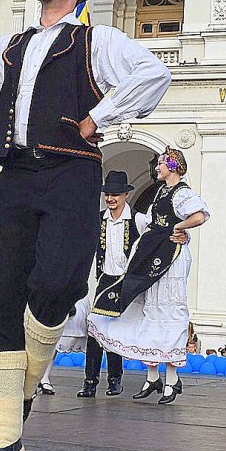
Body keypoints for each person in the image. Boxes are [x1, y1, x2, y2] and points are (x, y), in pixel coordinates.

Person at [0, 0, 170, 451]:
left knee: (56, 283)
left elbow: (152, 74)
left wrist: (97, 118)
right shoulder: (8, 46)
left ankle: (16, 401)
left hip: (70, 170)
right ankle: (3, 435)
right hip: (15, 176)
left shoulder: (97, 39)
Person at [89, 147, 208, 406]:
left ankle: (172, 379)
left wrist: (178, 228)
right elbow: (152, 223)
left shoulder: (181, 192)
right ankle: (153, 376)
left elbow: (199, 216)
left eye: (160, 164)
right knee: (150, 310)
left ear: (172, 166)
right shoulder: (162, 192)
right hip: (155, 253)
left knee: (169, 311)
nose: (156, 168)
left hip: (170, 259)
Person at [66, 171, 137, 399]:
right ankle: (90, 381)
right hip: (104, 280)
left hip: (126, 282)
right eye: (107, 194)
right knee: (95, 330)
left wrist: (181, 235)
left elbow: (157, 237)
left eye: (115, 194)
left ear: (125, 194)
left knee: (114, 332)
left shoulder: (137, 219)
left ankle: (115, 379)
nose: (110, 198)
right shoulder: (98, 219)